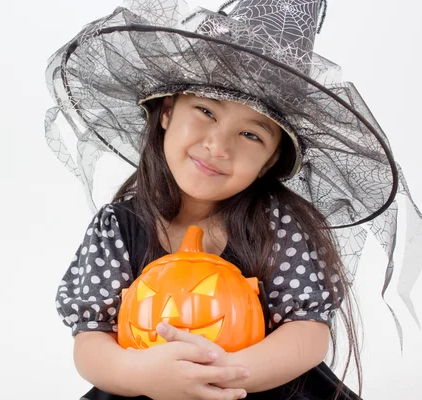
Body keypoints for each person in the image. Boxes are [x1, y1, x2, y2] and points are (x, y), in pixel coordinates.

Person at [44, 0, 422, 399]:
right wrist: (136, 373)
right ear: (168, 111)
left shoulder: (278, 226)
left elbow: (307, 332)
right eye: (206, 111)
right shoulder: (118, 227)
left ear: (270, 160)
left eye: (251, 135)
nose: (218, 146)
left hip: (258, 385)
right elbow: (91, 339)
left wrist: (227, 373)